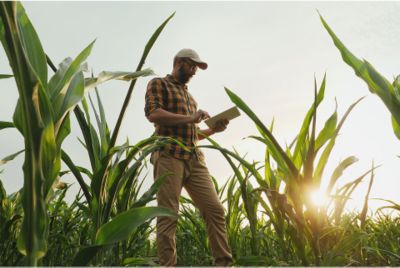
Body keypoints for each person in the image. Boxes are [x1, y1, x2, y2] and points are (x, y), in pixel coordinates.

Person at [144, 48, 233, 266]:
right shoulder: (158, 84)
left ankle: (224, 263)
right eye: (191, 65)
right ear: (178, 62)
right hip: (168, 156)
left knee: (215, 210)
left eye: (196, 68)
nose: (194, 71)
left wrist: (214, 130)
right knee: (168, 215)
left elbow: (193, 133)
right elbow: (153, 114)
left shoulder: (190, 98)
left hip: (194, 158)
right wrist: (190, 118)